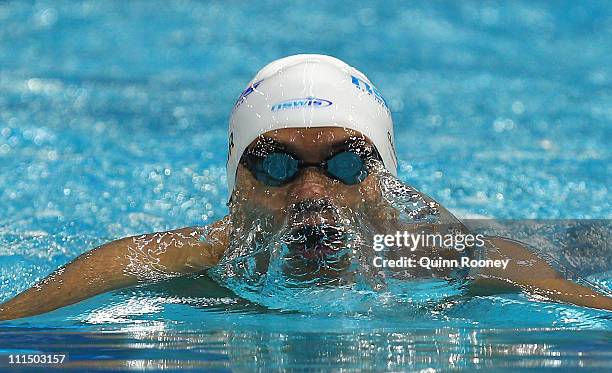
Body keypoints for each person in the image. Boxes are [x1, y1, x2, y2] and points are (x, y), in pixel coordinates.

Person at [1, 54, 610, 321]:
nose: (313, 192)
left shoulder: (445, 261)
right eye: (275, 165)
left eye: (345, 165)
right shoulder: (164, 265)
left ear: (384, 182)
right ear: (237, 184)